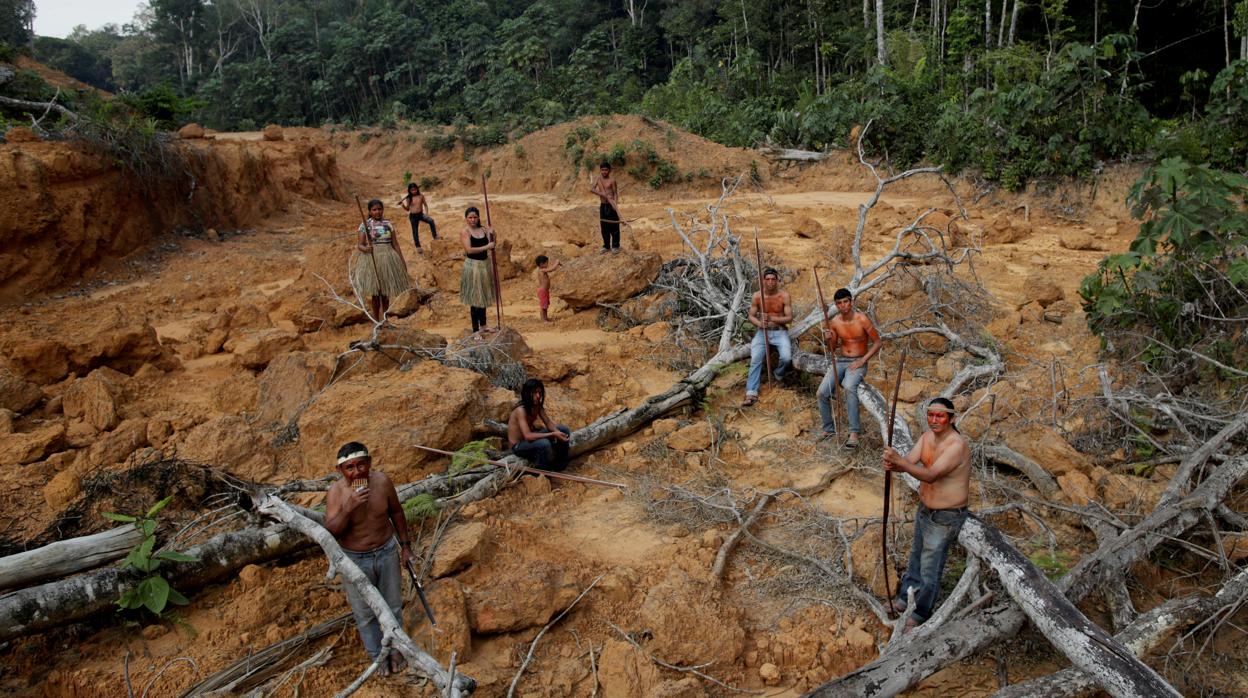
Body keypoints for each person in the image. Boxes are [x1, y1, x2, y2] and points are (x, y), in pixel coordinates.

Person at [881, 397, 971, 630]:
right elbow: (910, 461)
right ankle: (904, 599)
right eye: (931, 415)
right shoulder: (926, 437)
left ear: (952, 418)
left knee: (930, 566)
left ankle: (921, 613)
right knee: (916, 558)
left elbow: (931, 475)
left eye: (940, 416)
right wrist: (893, 462)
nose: (934, 420)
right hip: (925, 510)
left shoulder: (956, 445)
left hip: (946, 515)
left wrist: (900, 463)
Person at [324, 442, 413, 675]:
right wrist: (348, 508)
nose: (356, 472)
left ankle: (397, 651)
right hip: (354, 559)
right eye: (349, 468)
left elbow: (396, 512)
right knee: (365, 613)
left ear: (369, 463)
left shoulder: (382, 482)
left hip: (385, 551)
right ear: (340, 470)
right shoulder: (336, 492)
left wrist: (405, 547)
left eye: (360, 465)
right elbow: (332, 530)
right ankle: (377, 657)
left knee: (393, 606)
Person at [816, 288, 882, 448]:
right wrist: (828, 339)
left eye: (846, 301)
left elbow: (878, 342)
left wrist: (862, 361)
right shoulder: (835, 322)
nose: (843, 305)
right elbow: (832, 348)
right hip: (841, 361)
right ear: (836, 305)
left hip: (859, 360)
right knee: (821, 393)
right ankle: (829, 429)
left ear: (851, 302)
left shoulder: (862, 319)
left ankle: (854, 433)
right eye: (839, 303)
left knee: (849, 386)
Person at [354, 199, 411, 322]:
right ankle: (376, 320)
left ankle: (385, 320)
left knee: (385, 293)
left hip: (388, 258)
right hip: (372, 259)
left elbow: (395, 244)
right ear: (369, 211)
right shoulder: (365, 225)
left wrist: (402, 261)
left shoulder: (388, 224)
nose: (377, 212)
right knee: (375, 293)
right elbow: (360, 245)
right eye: (374, 210)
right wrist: (366, 248)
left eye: (380, 209)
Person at [508, 378, 571, 471]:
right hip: (518, 446)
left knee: (564, 430)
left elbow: (548, 423)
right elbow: (528, 436)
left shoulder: (538, 406)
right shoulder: (520, 410)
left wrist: (558, 433)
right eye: (534, 393)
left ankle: (559, 464)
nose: (538, 396)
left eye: (540, 393)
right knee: (544, 444)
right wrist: (553, 434)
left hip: (529, 441)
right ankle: (541, 472)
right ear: (527, 393)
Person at [459, 206, 497, 334]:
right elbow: (469, 250)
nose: (473, 220)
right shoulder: (465, 232)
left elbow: (493, 244)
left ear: (478, 218)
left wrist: (492, 234)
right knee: (475, 298)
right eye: (470, 217)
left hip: (484, 266)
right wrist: (487, 246)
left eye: (475, 217)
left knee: (483, 296)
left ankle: (484, 326)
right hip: (473, 267)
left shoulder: (484, 230)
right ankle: (475, 330)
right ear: (466, 219)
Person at [589, 161, 621, 253]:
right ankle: (606, 246)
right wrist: (602, 194)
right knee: (604, 227)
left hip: (611, 205)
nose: (604, 172)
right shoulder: (598, 179)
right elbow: (592, 189)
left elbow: (615, 193)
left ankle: (615, 246)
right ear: (600, 170)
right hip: (603, 206)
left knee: (614, 226)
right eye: (602, 170)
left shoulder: (612, 181)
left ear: (609, 170)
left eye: (606, 170)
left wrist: (615, 204)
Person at [398, 182, 437, 252]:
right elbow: (407, 209)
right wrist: (402, 205)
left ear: (417, 189)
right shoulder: (408, 198)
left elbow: (425, 205)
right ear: (409, 191)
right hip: (413, 216)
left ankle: (435, 236)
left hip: (421, 214)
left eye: (415, 189)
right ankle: (418, 246)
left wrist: (427, 213)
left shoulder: (421, 196)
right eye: (412, 190)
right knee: (415, 231)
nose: (414, 191)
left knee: (431, 221)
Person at [534, 254, 561, 323]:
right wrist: (557, 263)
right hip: (542, 291)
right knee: (543, 306)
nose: (547, 264)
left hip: (545, 291)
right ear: (541, 264)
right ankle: (543, 320)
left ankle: (545, 318)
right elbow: (552, 269)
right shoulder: (541, 270)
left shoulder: (542, 270)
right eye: (546, 263)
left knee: (545, 306)